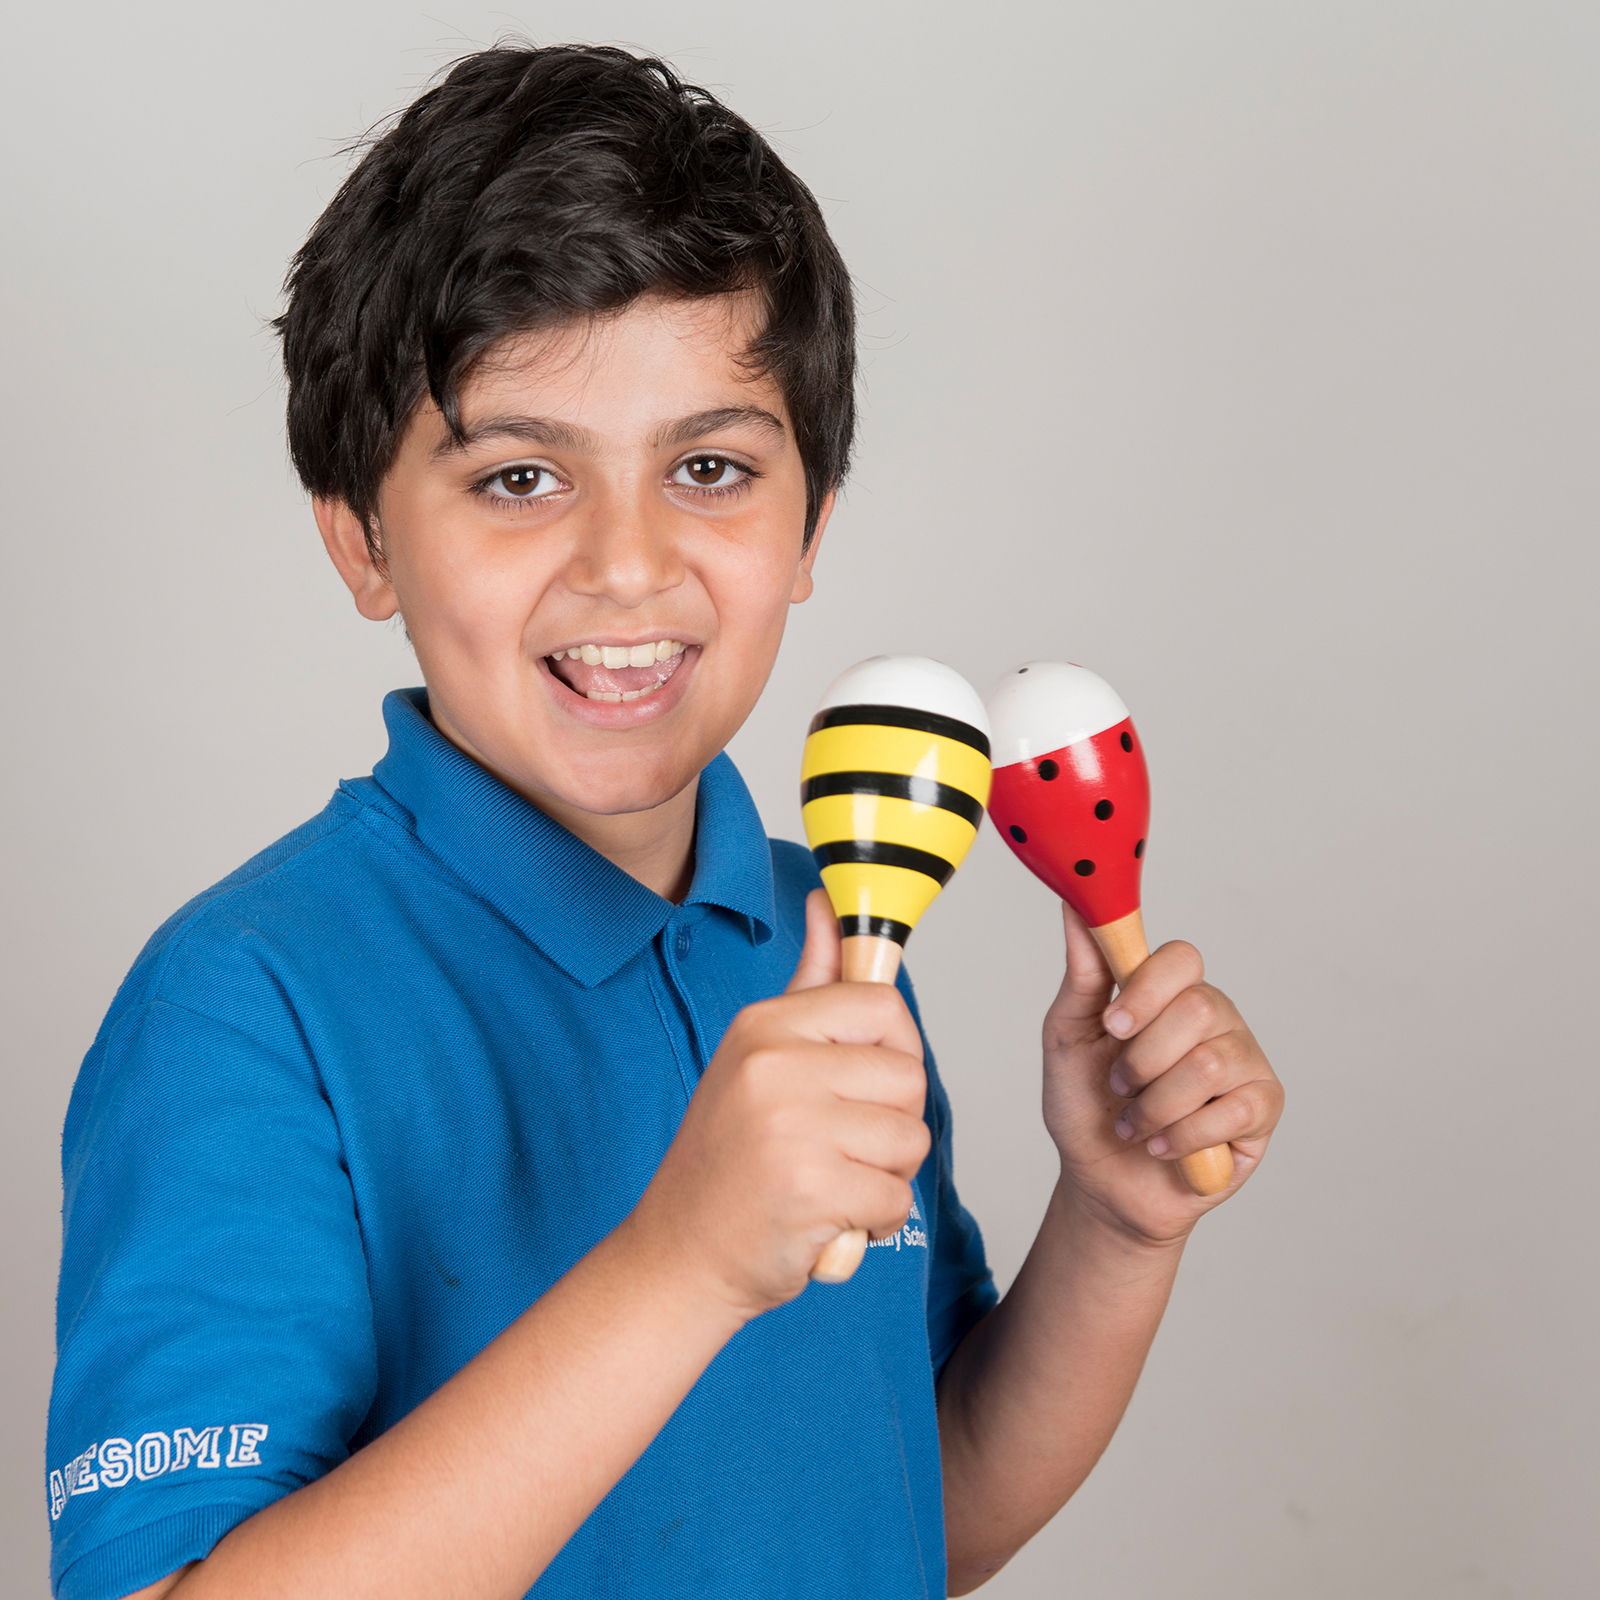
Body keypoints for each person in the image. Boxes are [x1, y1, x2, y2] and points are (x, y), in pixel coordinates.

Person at [46, 43, 1284, 1600]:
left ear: (811, 523)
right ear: (364, 542)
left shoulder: (830, 938)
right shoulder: (247, 1006)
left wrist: (1115, 1224)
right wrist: (684, 1265)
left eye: (709, 467)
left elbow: (922, 1503)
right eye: (518, 478)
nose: (628, 565)